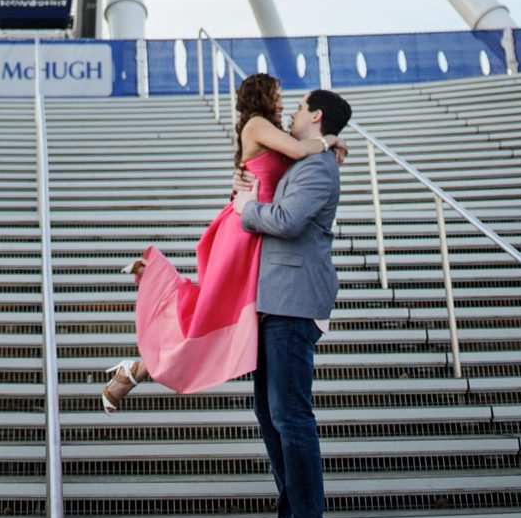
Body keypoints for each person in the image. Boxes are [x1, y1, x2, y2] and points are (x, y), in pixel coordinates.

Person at [99, 74, 343, 413]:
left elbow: (296, 158)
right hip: (243, 230)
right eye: (278, 93)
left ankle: (137, 368)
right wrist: (330, 139)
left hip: (259, 230)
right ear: (263, 95)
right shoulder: (257, 125)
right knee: (208, 313)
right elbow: (304, 148)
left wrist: (329, 143)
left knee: (220, 319)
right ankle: (156, 279)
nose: (284, 102)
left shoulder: (274, 133)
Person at [232, 86, 353, 518]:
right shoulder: (308, 163)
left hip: (294, 304)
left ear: (316, 115)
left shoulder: (319, 170)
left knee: (291, 418)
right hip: (274, 302)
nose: (294, 111)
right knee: (271, 415)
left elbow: (286, 221)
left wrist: (246, 210)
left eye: (301, 107)